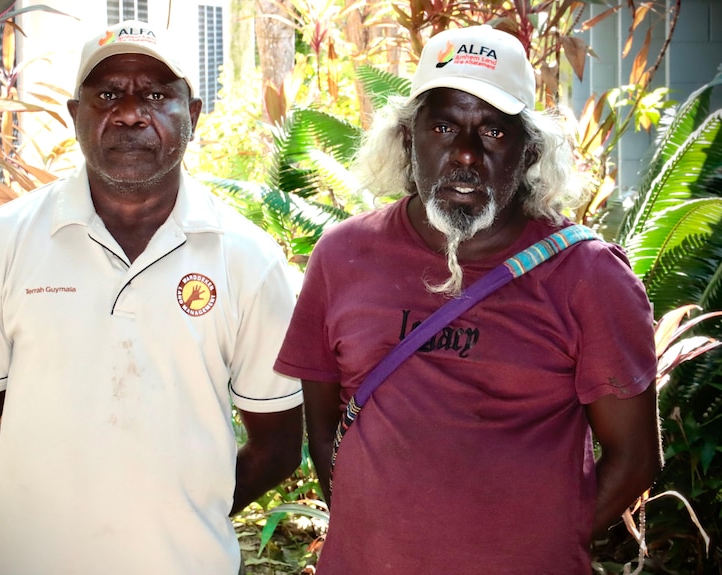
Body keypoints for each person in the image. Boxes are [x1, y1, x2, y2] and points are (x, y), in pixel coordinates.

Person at [274, 25, 662, 574]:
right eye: (443, 126)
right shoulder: (342, 256)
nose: (465, 154)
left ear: (528, 152)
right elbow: (324, 427)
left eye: (493, 133)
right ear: (410, 142)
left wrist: (539, 548)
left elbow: (636, 458)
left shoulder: (588, 276)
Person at [0, 20, 303, 575]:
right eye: (107, 94)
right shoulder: (2, 242)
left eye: (156, 95)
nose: (131, 112)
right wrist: (47, 523)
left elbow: (277, 446)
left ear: (195, 114)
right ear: (74, 115)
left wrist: (185, 519)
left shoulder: (248, 259)